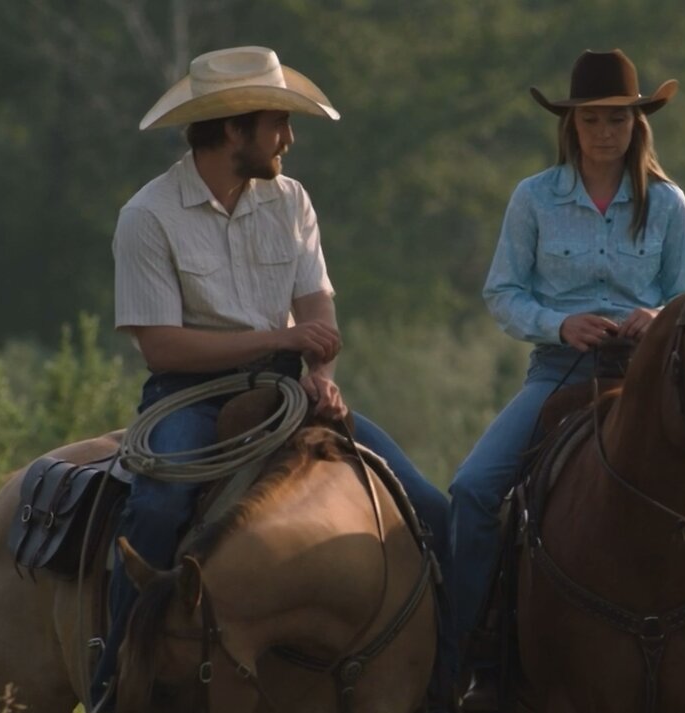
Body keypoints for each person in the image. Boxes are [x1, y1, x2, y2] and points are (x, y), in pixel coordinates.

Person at [90, 46, 455, 711]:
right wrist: (281, 339)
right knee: (157, 507)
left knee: (429, 509)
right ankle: (117, 674)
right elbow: (162, 347)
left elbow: (317, 310)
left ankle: (450, 680)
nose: (289, 137)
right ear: (235, 129)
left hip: (291, 395)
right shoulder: (148, 216)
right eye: (278, 122)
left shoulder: (291, 201)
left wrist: (321, 372)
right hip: (190, 397)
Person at [446, 49, 685, 707]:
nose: (604, 131)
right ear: (571, 124)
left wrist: (657, 316)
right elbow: (503, 292)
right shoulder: (533, 198)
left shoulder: (667, 204)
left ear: (637, 124)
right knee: (472, 491)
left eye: (616, 118)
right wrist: (561, 324)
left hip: (655, 374)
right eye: (591, 119)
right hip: (560, 371)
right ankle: (469, 661)